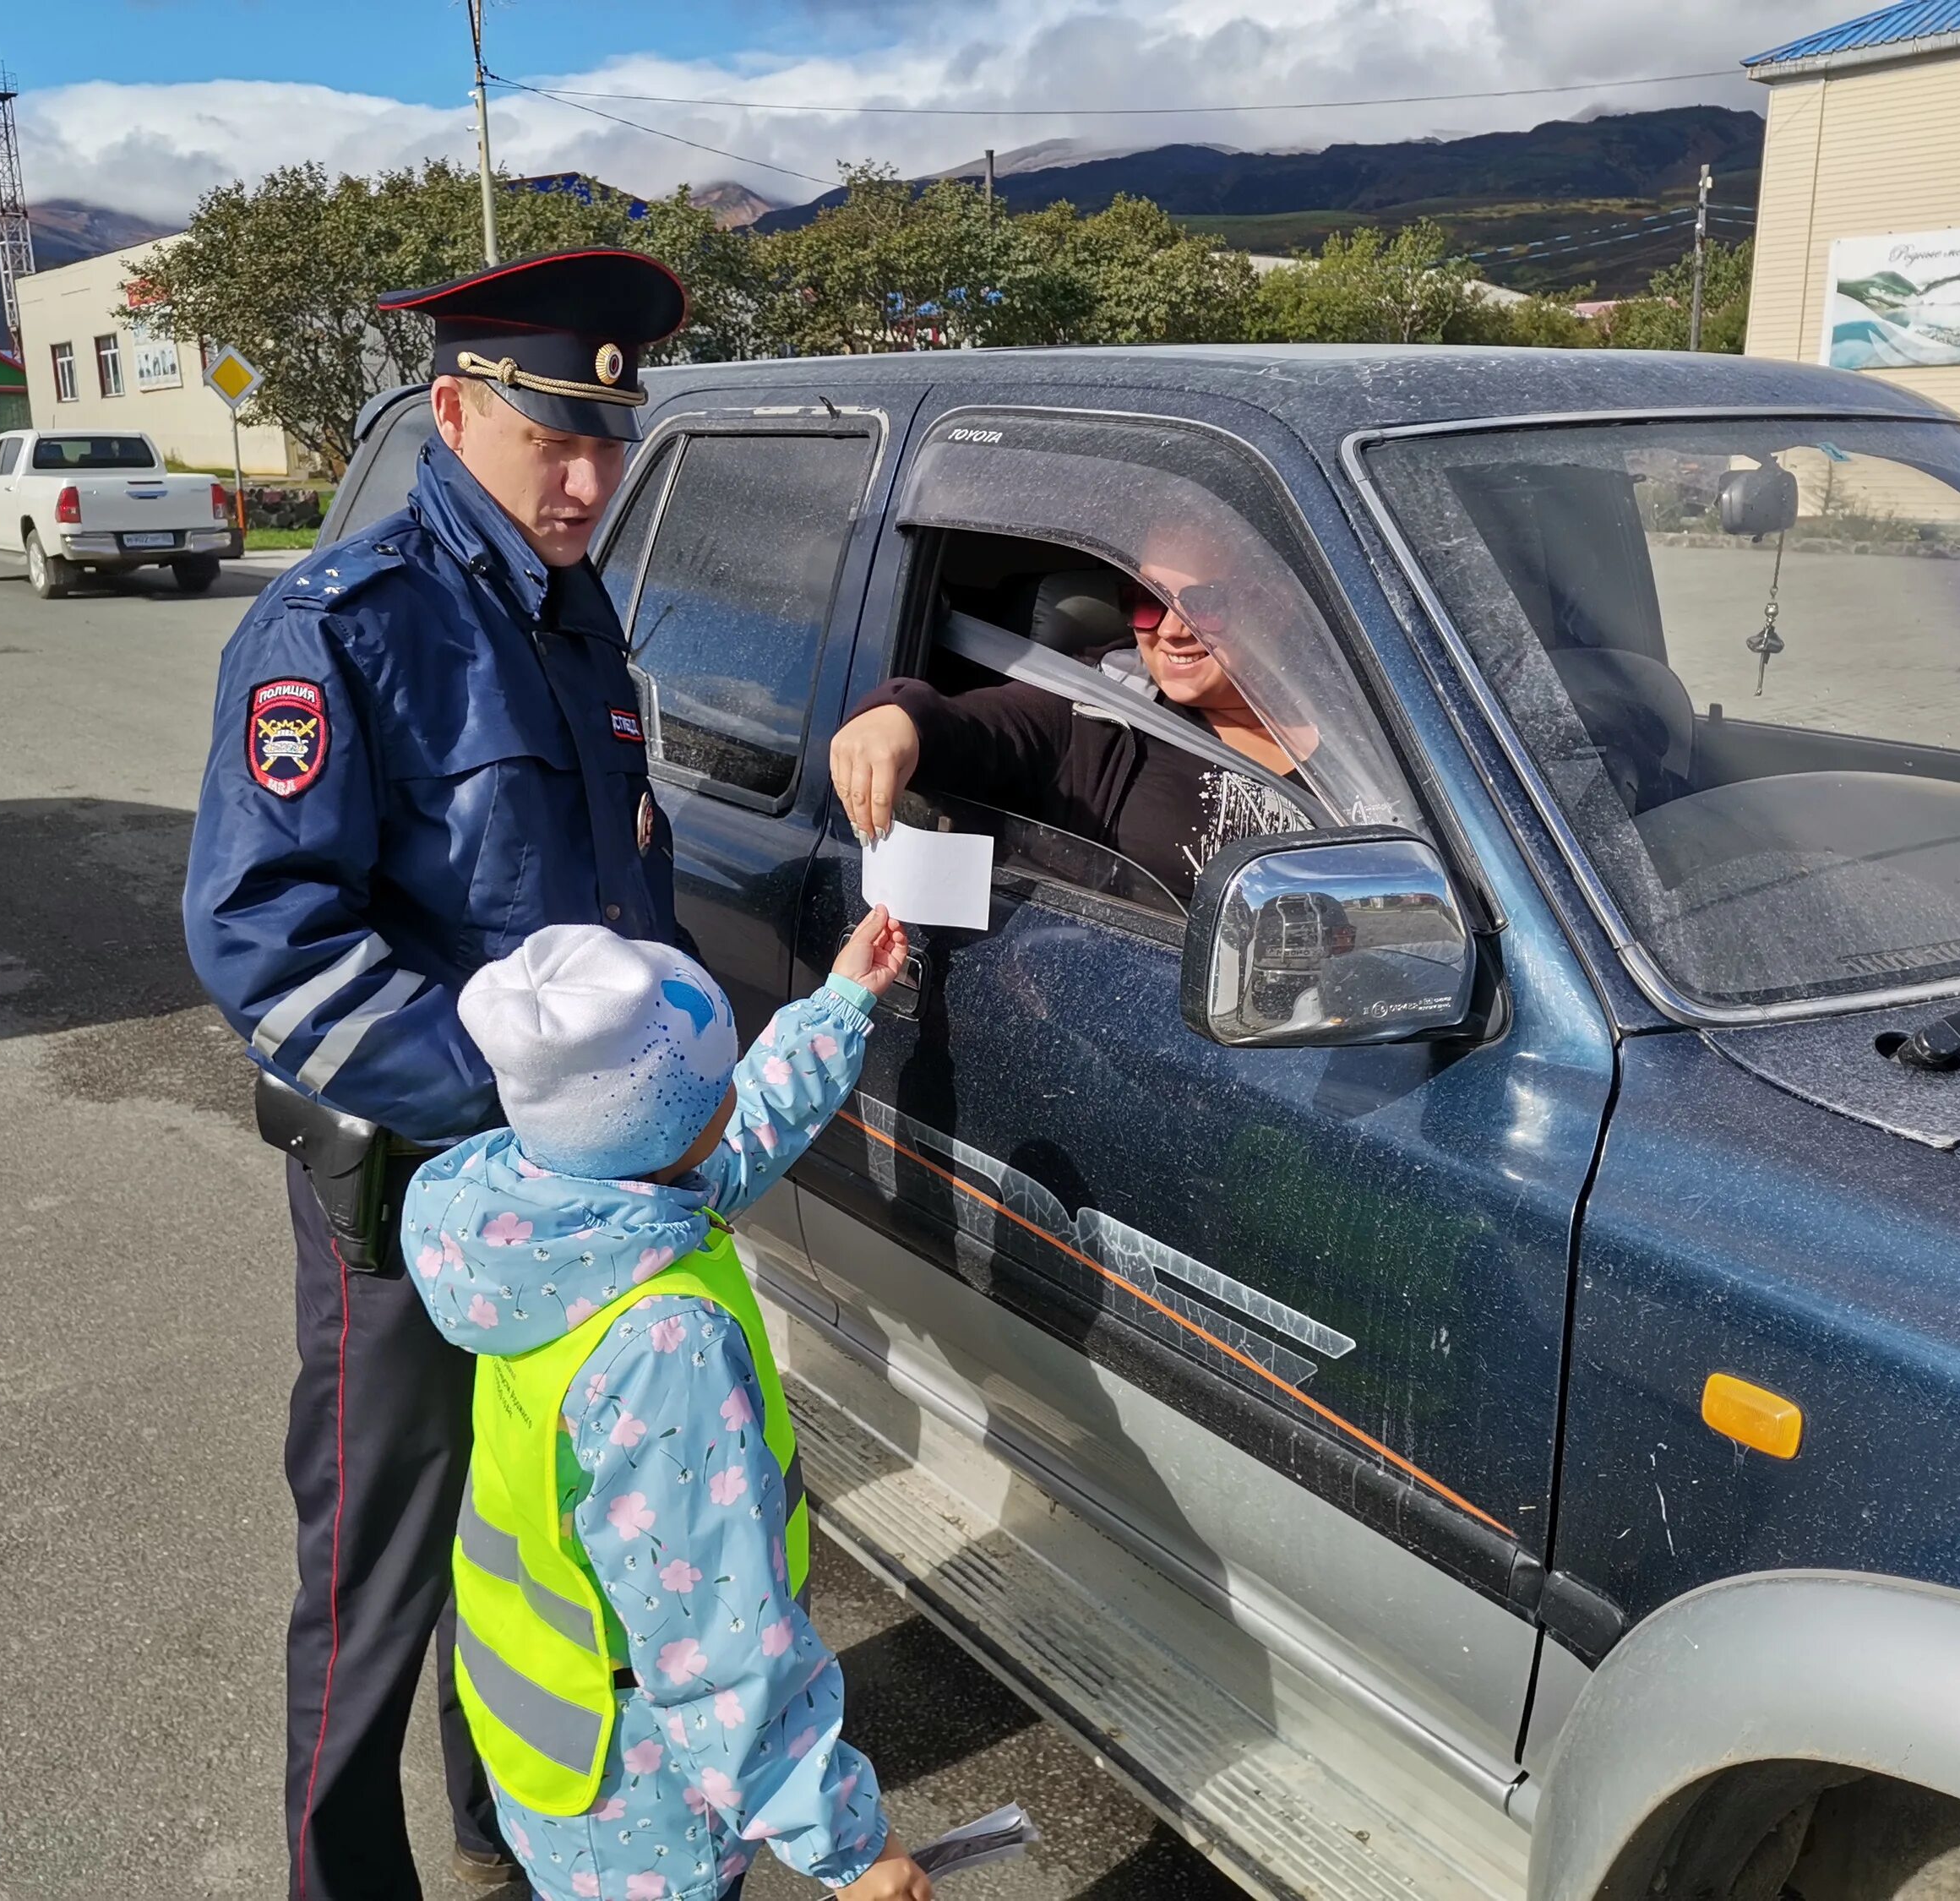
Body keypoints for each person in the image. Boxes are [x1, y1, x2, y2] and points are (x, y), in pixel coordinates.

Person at [182, 248, 692, 1901]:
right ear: (457, 411)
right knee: (373, 1570)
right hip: (405, 1197)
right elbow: (263, 934)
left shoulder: (575, 619)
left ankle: (510, 1823)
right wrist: (506, 1107)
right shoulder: (347, 624)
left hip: (570, 1200)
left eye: (610, 441)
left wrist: (656, 1080)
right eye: (554, 436)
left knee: (533, 1535)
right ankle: (345, 1875)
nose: (589, 476)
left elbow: (622, 885)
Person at [398, 909, 934, 1901]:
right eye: (718, 1080)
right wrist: (851, 1847)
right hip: (637, 1787)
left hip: (541, 1726)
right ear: (677, 1123)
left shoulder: (542, 1223)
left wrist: (843, 1003)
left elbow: (733, 1138)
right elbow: (716, 1637)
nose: (734, 1093)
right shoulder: (663, 1344)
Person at [829, 542, 1312, 901]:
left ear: (1278, 604)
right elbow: (977, 728)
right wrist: (896, 716)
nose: (1170, 630)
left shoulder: (1357, 719)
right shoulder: (1096, 710)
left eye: (1205, 605)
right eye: (1148, 600)